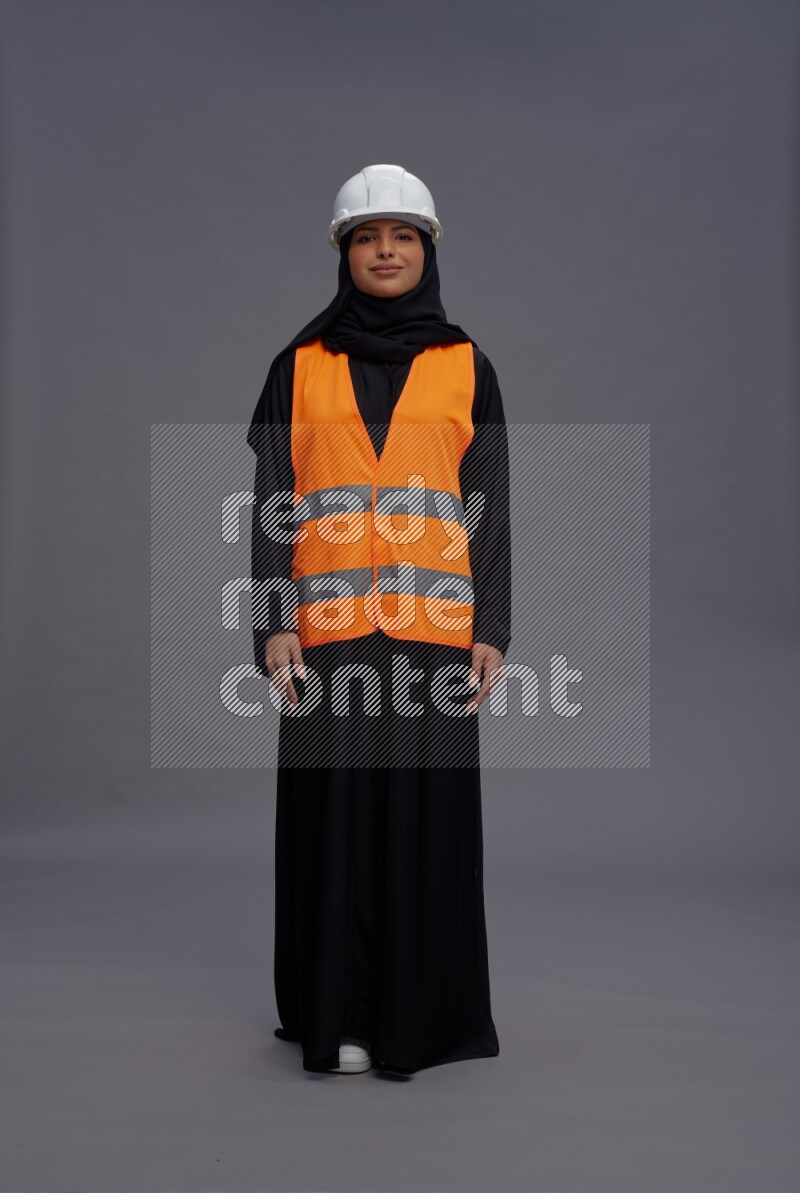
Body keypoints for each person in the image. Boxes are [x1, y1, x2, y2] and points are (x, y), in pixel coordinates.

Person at [247, 164, 512, 1075]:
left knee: (423, 826)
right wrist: (272, 619)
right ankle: (341, 1016)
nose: (385, 251)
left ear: (427, 249)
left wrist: (494, 627)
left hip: (434, 637)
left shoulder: (466, 364)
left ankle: (417, 1017)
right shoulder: (299, 366)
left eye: (402, 236)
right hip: (327, 638)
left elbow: (488, 502)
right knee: (335, 823)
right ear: (344, 252)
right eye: (368, 237)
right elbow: (274, 499)